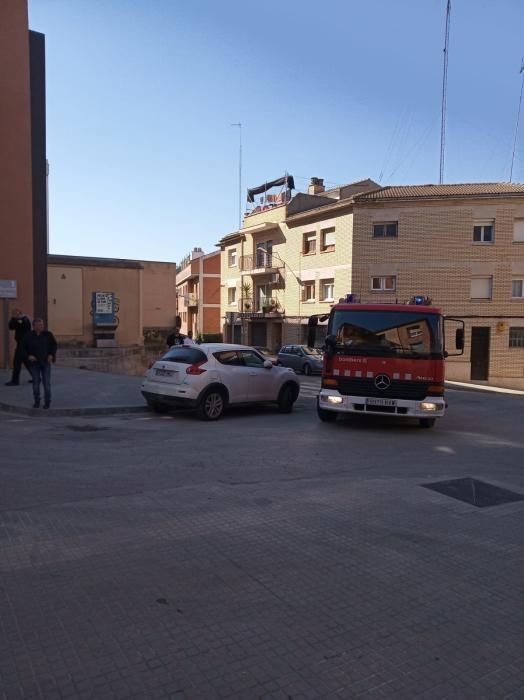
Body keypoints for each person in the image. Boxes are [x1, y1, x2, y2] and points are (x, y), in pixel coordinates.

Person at [22, 318, 58, 409]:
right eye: (38, 325)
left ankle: (47, 401)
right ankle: (37, 401)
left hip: (45, 362)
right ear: (33, 326)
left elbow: (54, 345)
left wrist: (51, 355)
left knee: (46, 383)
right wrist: (28, 356)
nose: (40, 326)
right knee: (36, 383)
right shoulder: (28, 336)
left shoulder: (48, 334)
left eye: (41, 324)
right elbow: (22, 348)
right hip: (34, 363)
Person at [5, 308, 32, 386]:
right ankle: (36, 377)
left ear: (20, 313)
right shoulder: (17, 320)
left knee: (17, 362)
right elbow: (11, 327)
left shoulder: (25, 320)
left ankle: (15, 381)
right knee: (27, 362)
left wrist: (16, 320)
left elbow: (18, 326)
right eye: (14, 314)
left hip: (23, 344)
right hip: (21, 344)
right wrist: (13, 318)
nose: (16, 315)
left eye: (17, 314)